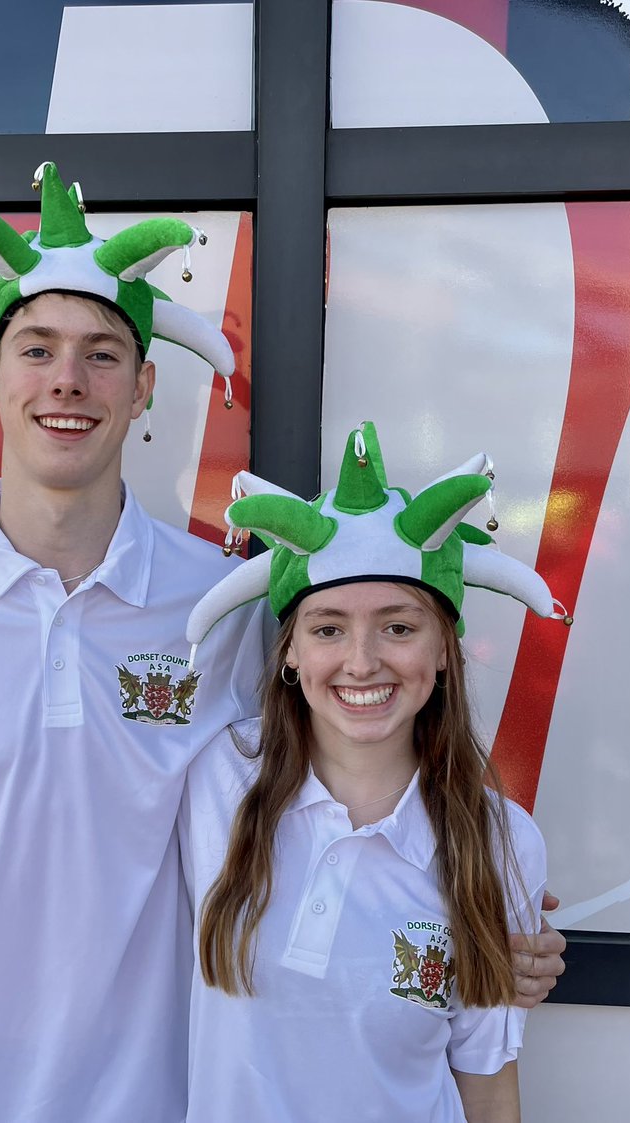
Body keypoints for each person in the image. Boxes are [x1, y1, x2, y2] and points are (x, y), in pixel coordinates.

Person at [0, 166, 566, 1122]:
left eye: (103, 354)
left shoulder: (219, 607)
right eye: (36, 349)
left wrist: (482, 918)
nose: (67, 380)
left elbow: (336, 793)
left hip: (151, 1098)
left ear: (145, 385)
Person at [180, 421, 572, 1122]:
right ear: (291, 652)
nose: (362, 661)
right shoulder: (216, 782)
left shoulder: (501, 843)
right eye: (328, 627)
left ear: (446, 649)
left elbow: (486, 1082)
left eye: (398, 626)